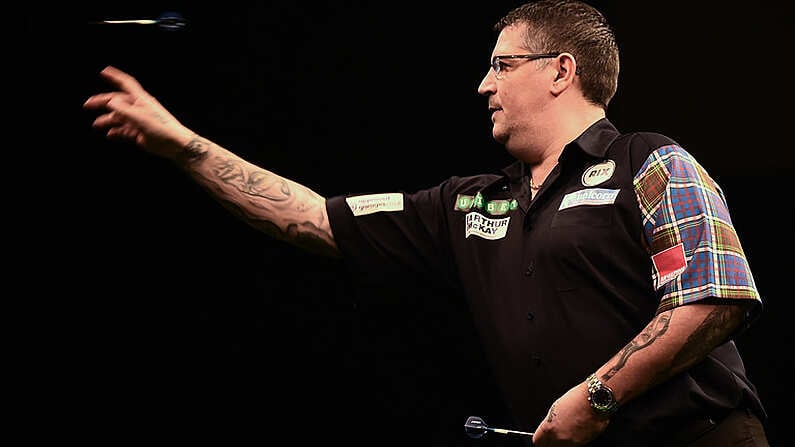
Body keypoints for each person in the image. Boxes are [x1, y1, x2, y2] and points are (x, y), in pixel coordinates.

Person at [82, 1, 769, 445]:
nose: (482, 85)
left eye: (501, 66)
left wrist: (593, 399)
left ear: (562, 70)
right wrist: (183, 145)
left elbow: (714, 299)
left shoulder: (649, 160)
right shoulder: (468, 203)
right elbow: (312, 218)